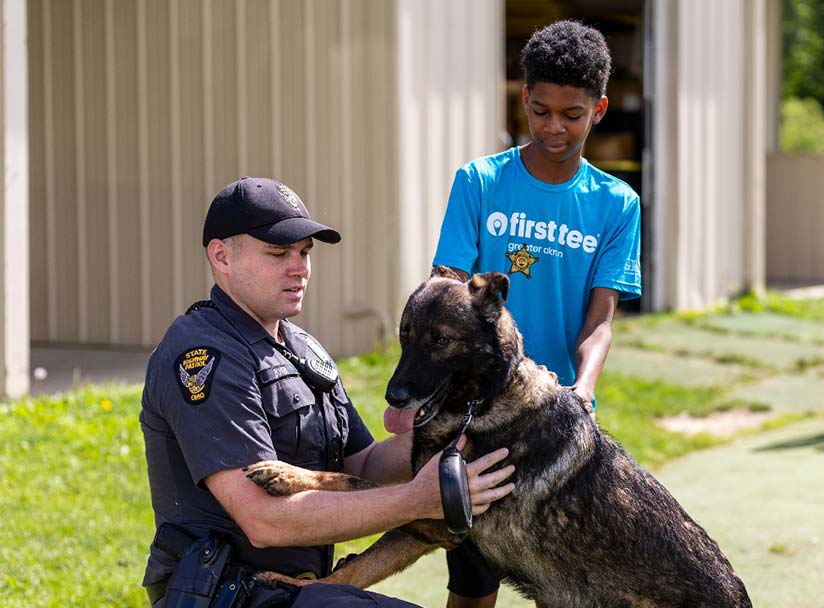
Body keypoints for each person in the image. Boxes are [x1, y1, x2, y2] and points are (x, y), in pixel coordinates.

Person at [139, 177, 516, 607]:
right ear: (222, 257)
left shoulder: (302, 349)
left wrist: (476, 423)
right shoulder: (203, 353)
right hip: (225, 592)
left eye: (304, 253)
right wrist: (419, 501)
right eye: (278, 253)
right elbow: (265, 521)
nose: (299, 268)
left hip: (297, 590)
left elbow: (367, 464)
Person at [430, 20, 642, 608]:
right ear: (524, 98)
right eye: (541, 110)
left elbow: (599, 320)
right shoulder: (479, 181)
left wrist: (582, 391)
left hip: (552, 418)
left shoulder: (617, 205)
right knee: (472, 585)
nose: (554, 126)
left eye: (571, 114)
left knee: (566, 585)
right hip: (475, 414)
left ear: (598, 109)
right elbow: (448, 293)